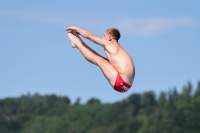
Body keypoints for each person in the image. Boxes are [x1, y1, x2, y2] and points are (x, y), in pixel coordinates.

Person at [65, 26, 135, 93]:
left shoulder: (109, 44)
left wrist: (76, 28)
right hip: (127, 85)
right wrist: (80, 33)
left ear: (109, 38)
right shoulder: (119, 47)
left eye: (104, 36)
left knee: (98, 59)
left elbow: (88, 35)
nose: (102, 38)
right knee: (100, 59)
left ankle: (77, 43)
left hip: (121, 83)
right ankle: (77, 42)